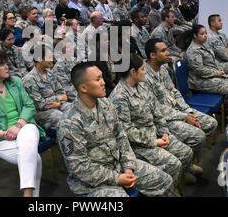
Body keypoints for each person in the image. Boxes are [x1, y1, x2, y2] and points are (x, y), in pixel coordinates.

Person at [58, 62, 174, 197]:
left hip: (119, 165)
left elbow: (121, 136)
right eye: (97, 79)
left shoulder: (106, 103)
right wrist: (116, 178)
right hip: (93, 182)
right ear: (83, 87)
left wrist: (128, 167)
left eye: (102, 77)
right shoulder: (69, 123)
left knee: (165, 180)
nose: (103, 83)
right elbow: (80, 167)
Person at [110, 53, 195, 187]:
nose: (145, 72)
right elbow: (127, 132)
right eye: (143, 69)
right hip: (139, 144)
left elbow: (156, 111)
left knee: (186, 152)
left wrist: (164, 132)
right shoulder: (119, 97)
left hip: (156, 133)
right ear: (133, 72)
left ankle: (180, 177)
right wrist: (154, 141)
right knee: (174, 164)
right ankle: (173, 188)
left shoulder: (142, 85)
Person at [0, 49, 45, 197]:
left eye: (6, 63)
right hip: (0, 137)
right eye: (1, 65)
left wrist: (18, 126)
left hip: (24, 126)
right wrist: (2, 133)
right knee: (34, 159)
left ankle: (27, 193)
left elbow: (29, 105)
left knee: (28, 133)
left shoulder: (15, 82)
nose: (7, 67)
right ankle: (32, 196)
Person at [144, 39, 218, 159]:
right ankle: (186, 160)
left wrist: (188, 111)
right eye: (163, 51)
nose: (168, 53)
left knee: (211, 123)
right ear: (152, 55)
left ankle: (191, 158)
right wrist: (184, 117)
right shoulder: (144, 77)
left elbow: (174, 92)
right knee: (199, 136)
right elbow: (157, 109)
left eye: (167, 49)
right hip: (164, 118)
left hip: (178, 110)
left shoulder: (163, 69)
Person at [186, 24, 228, 115]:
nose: (205, 35)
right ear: (195, 36)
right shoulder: (193, 50)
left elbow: (212, 60)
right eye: (202, 34)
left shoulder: (204, 45)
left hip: (211, 76)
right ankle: (225, 114)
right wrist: (217, 72)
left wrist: (218, 67)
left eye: (206, 33)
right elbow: (200, 70)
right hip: (199, 81)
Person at [22, 43, 71, 130]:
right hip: (41, 113)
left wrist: (58, 103)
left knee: (73, 109)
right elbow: (39, 104)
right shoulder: (29, 79)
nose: (52, 60)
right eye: (49, 57)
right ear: (40, 59)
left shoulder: (50, 73)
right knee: (59, 116)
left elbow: (62, 93)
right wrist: (56, 99)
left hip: (58, 105)